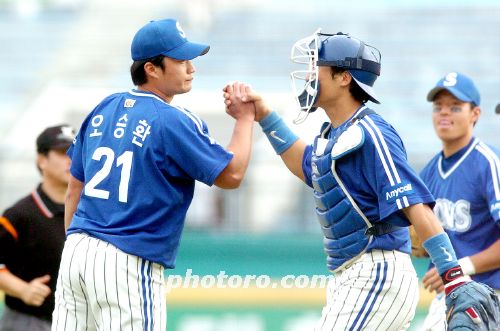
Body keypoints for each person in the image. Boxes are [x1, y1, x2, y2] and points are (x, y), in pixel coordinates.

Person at [224, 31, 499, 330]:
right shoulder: (334, 133)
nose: (308, 75)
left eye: (316, 67)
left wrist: (453, 275)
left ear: (344, 77)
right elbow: (307, 167)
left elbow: (415, 205)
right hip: (352, 275)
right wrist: (264, 116)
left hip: (377, 273)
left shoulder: (371, 131)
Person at [51, 18, 255, 330]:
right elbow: (232, 175)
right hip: (127, 260)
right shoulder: (172, 119)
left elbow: (73, 189)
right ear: (151, 68)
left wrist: (75, 244)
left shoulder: (104, 107)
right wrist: (244, 119)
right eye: (181, 60)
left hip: (77, 250)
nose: (191, 68)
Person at [418, 72, 500, 330]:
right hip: (447, 296)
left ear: (475, 114)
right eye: (438, 107)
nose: (444, 113)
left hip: (489, 295)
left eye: (455, 107)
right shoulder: (428, 173)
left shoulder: (488, 163)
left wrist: (458, 266)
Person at [0, 124, 75, 331]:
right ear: (41, 160)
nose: (71, 158)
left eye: (76, 151)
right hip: (28, 322)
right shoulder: (20, 215)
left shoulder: (90, 211)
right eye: (62, 152)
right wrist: (22, 289)